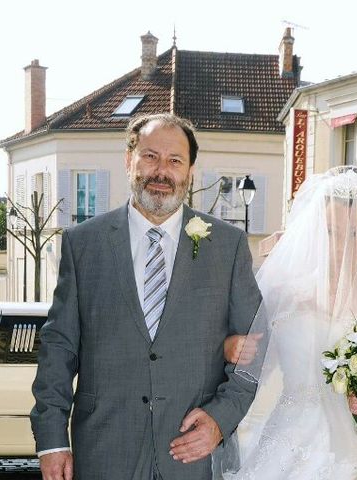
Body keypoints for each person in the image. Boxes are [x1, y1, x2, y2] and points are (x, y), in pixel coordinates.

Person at [31, 113, 262, 480]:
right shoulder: (83, 244)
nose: (161, 171)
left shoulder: (228, 246)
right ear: (129, 160)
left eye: (175, 161)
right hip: (104, 452)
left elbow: (255, 349)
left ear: (189, 172)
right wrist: (52, 441)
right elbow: (58, 349)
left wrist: (221, 419)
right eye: (151, 156)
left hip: (194, 455)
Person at [214, 166, 357, 479]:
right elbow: (249, 370)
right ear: (315, 232)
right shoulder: (284, 296)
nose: (344, 243)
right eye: (332, 232)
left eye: (356, 233)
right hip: (293, 446)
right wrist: (229, 349)